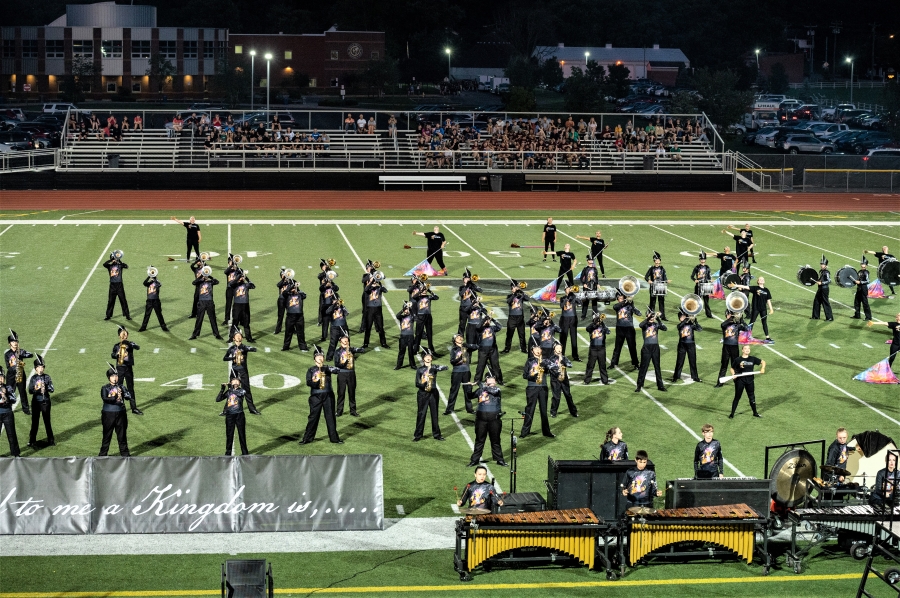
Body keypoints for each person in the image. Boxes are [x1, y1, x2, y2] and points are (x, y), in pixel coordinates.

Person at [299, 347, 343, 445]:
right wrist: (317, 380)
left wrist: (330, 368)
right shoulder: (311, 370)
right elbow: (309, 383)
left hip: (328, 396)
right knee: (313, 418)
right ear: (314, 359)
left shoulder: (327, 368)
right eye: (318, 356)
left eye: (321, 356)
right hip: (315, 397)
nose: (320, 358)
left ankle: (334, 438)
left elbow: (336, 370)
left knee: (330, 417)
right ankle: (307, 438)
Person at [467, 377, 507, 467]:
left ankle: (499, 459)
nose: (492, 383)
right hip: (481, 420)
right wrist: (469, 387)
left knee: (495, 440)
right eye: (489, 382)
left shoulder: (497, 390)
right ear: (486, 382)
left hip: (494, 420)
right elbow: (469, 396)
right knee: (479, 440)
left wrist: (481, 385)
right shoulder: (480, 390)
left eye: (493, 381)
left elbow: (492, 390)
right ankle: (475, 460)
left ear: (495, 382)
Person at [520, 345, 556, 439]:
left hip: (543, 387)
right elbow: (525, 375)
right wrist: (533, 373)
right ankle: (524, 432)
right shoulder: (529, 361)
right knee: (530, 410)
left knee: (544, 411)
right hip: (532, 388)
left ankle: (546, 432)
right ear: (532, 351)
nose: (537, 350)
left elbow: (552, 370)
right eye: (535, 349)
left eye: (539, 348)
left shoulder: (545, 361)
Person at [223, 328, 261, 415]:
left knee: (247, 390)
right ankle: (226, 410)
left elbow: (253, 349)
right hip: (234, 371)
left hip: (243, 371)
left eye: (240, 336)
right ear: (233, 338)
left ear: (242, 338)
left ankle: (252, 409)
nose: (238, 337)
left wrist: (249, 348)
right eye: (237, 336)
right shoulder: (231, 348)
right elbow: (224, 358)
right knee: (231, 391)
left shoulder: (244, 347)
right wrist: (232, 358)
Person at [414, 350, 448, 442]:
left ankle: (437, 434)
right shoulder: (420, 370)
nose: (428, 358)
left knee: (435, 414)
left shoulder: (434, 368)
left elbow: (445, 367)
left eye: (430, 356)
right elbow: (417, 383)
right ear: (423, 358)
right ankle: (418, 435)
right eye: (426, 357)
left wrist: (437, 368)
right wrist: (424, 386)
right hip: (423, 394)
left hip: (433, 393)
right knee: (421, 414)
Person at [99, 365, 132, 457]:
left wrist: (124, 394)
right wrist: (115, 396)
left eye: (116, 376)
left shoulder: (121, 386)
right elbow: (105, 398)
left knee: (122, 436)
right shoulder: (105, 388)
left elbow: (129, 396)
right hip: (108, 415)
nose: (115, 378)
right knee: (107, 436)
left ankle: (125, 455)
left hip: (121, 414)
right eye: (113, 376)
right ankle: (102, 455)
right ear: (109, 378)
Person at [111, 326, 143, 415]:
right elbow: (112, 355)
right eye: (123, 334)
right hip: (120, 369)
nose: (125, 335)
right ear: (119, 336)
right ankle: (120, 407)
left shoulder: (130, 344)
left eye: (126, 334)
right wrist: (117, 354)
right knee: (119, 388)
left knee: (130, 388)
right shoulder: (117, 346)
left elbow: (137, 347)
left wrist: (129, 343)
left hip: (128, 368)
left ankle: (134, 408)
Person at [216, 373, 250, 456]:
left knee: (242, 434)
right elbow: (218, 399)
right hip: (230, 416)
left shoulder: (241, 390)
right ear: (231, 383)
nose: (236, 382)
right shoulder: (229, 392)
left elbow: (238, 394)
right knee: (229, 434)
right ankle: (228, 453)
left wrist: (231, 387)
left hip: (239, 415)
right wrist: (222, 389)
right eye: (234, 381)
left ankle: (245, 452)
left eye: (237, 381)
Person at [635, 308, 667, 393]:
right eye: (650, 316)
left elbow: (664, 328)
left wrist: (658, 319)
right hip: (646, 348)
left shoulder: (656, 324)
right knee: (643, 367)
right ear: (647, 316)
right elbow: (640, 325)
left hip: (655, 348)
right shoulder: (645, 325)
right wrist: (648, 318)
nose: (652, 318)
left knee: (657, 367)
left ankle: (660, 386)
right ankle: (639, 385)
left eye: (653, 316)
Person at [732, 277, 774, 342]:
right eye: (760, 279)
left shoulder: (767, 290)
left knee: (764, 323)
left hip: (763, 309)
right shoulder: (755, 288)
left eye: (763, 279)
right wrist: (735, 285)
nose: (762, 280)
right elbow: (745, 286)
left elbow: (768, 300)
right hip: (756, 308)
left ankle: (767, 337)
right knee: (752, 322)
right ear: (758, 281)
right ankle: (748, 335)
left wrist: (771, 309)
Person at [729, 345, 765, 418]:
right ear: (742, 350)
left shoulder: (753, 359)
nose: (747, 350)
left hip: (750, 381)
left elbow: (763, 362)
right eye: (745, 348)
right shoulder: (738, 360)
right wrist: (733, 374)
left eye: (748, 348)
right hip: (740, 381)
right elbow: (732, 369)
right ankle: (732, 414)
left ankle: (755, 413)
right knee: (737, 397)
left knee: (752, 397)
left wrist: (763, 368)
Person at [334, 334, 365, 417]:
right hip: (342, 374)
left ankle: (353, 411)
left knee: (352, 393)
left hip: (351, 373)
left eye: (347, 341)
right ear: (340, 342)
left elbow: (361, 350)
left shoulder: (351, 349)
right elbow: (336, 364)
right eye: (344, 341)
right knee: (341, 393)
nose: (346, 342)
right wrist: (344, 361)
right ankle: (339, 411)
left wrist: (360, 348)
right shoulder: (337, 352)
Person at [609, 292, 641, 370]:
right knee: (617, 347)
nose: (621, 299)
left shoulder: (630, 305)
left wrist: (632, 305)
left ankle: (636, 364)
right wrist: (625, 301)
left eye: (622, 298)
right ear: (617, 299)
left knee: (632, 347)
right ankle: (613, 363)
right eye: (620, 298)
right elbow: (615, 307)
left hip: (629, 328)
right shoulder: (618, 306)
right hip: (620, 328)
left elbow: (639, 313)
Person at [446, 334, 478, 414]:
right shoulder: (454, 349)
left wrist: (466, 345)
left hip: (466, 371)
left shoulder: (466, 347)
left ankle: (469, 409)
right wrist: (460, 358)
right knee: (454, 390)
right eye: (457, 337)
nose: (460, 338)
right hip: (457, 372)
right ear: (454, 340)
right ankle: (449, 409)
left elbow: (476, 346)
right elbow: (452, 362)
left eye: (461, 337)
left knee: (467, 390)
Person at [714, 311, 746, 388]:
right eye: (728, 315)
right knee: (724, 365)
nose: (730, 316)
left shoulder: (737, 325)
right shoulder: (725, 325)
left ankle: (737, 382)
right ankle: (720, 383)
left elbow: (747, 328)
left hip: (734, 347)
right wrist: (731, 318)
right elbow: (722, 324)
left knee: (735, 366)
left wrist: (742, 321)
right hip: (726, 347)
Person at [5, 331, 33, 416]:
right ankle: (8, 408)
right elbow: (9, 367)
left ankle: (25, 409)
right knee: (10, 392)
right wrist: (18, 364)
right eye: (13, 342)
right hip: (11, 376)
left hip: (20, 374)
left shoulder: (20, 351)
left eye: (16, 341)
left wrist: (21, 353)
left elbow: (30, 355)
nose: (15, 343)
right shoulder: (7, 354)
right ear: (10, 343)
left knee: (22, 392)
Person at [190, 267, 223, 340]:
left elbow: (217, 281)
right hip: (201, 302)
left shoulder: (211, 282)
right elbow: (194, 282)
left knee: (213, 319)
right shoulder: (200, 282)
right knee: (199, 319)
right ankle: (194, 335)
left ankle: (217, 334)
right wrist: (202, 276)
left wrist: (209, 276)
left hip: (210, 302)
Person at [672, 309, 702, 383]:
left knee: (692, 361)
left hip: (691, 345)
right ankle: (676, 376)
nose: (684, 317)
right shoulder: (679, 325)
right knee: (679, 361)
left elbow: (700, 329)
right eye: (683, 316)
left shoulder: (691, 325)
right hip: (682, 344)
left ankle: (695, 377)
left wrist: (696, 322)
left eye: (685, 316)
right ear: (680, 318)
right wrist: (686, 320)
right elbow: (680, 326)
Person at [549, 344, 578, 418]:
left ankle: (573, 412)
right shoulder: (551, 358)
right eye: (557, 348)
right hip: (555, 380)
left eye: (560, 348)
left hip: (564, 379)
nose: (559, 349)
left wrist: (563, 361)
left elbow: (570, 365)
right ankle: (553, 412)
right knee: (556, 397)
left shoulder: (564, 358)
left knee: (568, 395)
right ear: (554, 349)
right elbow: (550, 368)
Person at [103, 251, 131, 321]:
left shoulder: (120, 265)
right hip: (112, 285)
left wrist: (119, 261)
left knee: (123, 300)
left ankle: (127, 315)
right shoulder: (109, 266)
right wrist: (111, 260)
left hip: (119, 285)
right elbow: (104, 264)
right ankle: (108, 315)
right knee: (111, 301)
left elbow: (126, 266)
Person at [229, 268, 256, 341]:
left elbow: (253, 286)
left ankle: (249, 338)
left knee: (246, 323)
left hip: (245, 306)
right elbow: (231, 283)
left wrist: (246, 277)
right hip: (237, 305)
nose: (242, 278)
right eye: (240, 277)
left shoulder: (246, 285)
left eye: (242, 277)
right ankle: (231, 337)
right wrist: (239, 276)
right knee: (235, 322)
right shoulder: (234, 285)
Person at [362, 276, 389, 349]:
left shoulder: (379, 288)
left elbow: (386, 290)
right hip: (370, 310)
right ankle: (365, 343)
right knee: (368, 327)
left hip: (378, 310)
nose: (374, 281)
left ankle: (383, 343)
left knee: (381, 327)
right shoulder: (369, 288)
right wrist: (371, 282)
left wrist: (379, 283)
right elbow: (366, 289)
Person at [282, 280, 308, 351]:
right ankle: (286, 347)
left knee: (300, 332)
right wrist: (290, 287)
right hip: (290, 316)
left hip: (299, 316)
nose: (293, 289)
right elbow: (284, 293)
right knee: (288, 332)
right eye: (292, 288)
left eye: (294, 288)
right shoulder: (287, 295)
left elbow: (304, 295)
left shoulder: (300, 295)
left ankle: (303, 347)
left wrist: (297, 288)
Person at [557, 285, 581, 361]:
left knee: (574, 338)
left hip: (573, 319)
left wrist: (576, 296)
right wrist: (566, 299)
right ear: (565, 290)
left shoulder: (574, 297)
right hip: (564, 319)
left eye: (570, 288)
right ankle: (561, 355)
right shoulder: (562, 298)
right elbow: (561, 305)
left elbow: (580, 303)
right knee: (563, 338)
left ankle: (575, 356)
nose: (570, 289)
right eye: (569, 288)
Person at [503, 280, 527, 354]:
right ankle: (507, 348)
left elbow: (528, 298)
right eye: (514, 287)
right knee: (509, 334)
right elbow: (509, 301)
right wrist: (514, 294)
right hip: (512, 318)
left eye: (516, 287)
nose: (515, 288)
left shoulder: (521, 295)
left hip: (520, 317)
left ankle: (523, 348)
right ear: (512, 288)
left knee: (522, 334)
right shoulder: (510, 296)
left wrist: (521, 291)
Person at [414, 285, 439, 356]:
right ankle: (415, 350)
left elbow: (436, 297)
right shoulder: (418, 297)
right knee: (418, 334)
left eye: (425, 289)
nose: (424, 290)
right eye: (423, 289)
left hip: (428, 316)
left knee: (429, 334)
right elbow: (413, 297)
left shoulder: (428, 296)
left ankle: (431, 350)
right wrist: (421, 291)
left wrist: (429, 290)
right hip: (420, 316)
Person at [644, 251, 669, 321]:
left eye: (658, 261)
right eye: (656, 261)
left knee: (661, 302)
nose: (658, 262)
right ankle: (651, 315)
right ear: (654, 261)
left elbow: (664, 277)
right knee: (652, 302)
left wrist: (667, 281)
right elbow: (646, 276)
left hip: (661, 287)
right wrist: (648, 280)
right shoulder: (651, 269)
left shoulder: (662, 269)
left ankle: (662, 316)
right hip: (653, 287)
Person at [691, 251, 714, 319]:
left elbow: (709, 277)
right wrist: (695, 280)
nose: (702, 260)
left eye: (703, 259)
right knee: (697, 300)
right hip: (699, 286)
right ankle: (693, 313)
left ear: (705, 260)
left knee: (706, 301)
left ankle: (709, 314)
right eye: (701, 259)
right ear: (700, 260)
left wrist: (711, 280)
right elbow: (692, 276)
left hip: (706, 285)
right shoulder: (697, 267)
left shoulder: (707, 267)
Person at [395, 302, 417, 370]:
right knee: (401, 351)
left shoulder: (411, 317)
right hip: (403, 337)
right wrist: (404, 308)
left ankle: (413, 365)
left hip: (410, 337)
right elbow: (397, 315)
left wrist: (410, 309)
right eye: (405, 310)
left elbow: (415, 317)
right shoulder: (401, 317)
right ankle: (398, 365)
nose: (406, 311)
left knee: (411, 352)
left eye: (407, 310)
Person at [458, 270, 481, 336]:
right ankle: (460, 338)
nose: (467, 280)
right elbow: (461, 294)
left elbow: (480, 290)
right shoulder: (461, 287)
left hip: (472, 308)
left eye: (468, 278)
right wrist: (467, 286)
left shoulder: (472, 286)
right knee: (462, 325)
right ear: (463, 279)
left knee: (472, 324)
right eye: (466, 278)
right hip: (463, 308)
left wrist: (474, 285)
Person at [811, 255, 833, 321]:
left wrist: (822, 283)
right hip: (820, 289)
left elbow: (829, 280)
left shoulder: (826, 272)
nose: (821, 265)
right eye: (821, 264)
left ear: (826, 265)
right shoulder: (821, 272)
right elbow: (821, 279)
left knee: (825, 302)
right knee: (816, 301)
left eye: (823, 264)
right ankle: (815, 316)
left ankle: (829, 317)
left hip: (824, 289)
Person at [853, 256, 873, 321]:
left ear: (866, 265)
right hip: (859, 288)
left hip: (864, 288)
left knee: (865, 303)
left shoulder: (866, 272)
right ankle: (857, 315)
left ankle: (868, 317)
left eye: (863, 264)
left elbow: (868, 281)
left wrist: (860, 282)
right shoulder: (859, 271)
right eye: (861, 264)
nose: (862, 265)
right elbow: (857, 279)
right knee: (856, 302)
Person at [222, 255, 238, 327]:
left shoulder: (238, 270)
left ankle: (237, 319)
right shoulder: (229, 270)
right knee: (228, 304)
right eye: (229, 262)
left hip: (237, 289)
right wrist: (231, 266)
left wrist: (236, 267)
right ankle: (226, 319)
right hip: (229, 289)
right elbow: (225, 272)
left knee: (236, 305)